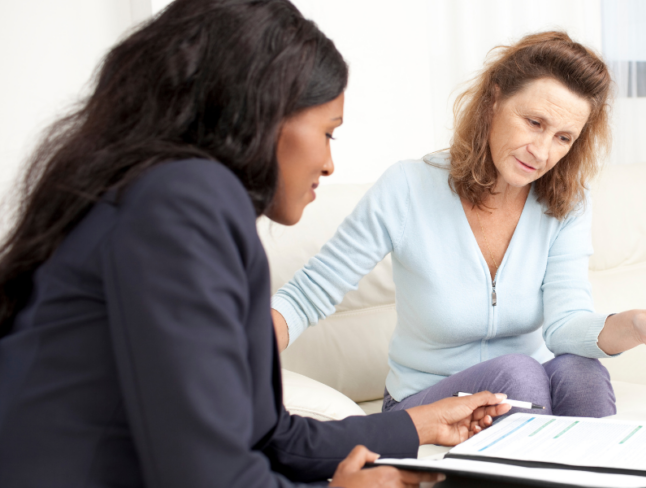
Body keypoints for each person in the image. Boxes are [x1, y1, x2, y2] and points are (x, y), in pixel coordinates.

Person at [0, 1, 509, 487]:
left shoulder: (169, 195)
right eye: (329, 132)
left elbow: (270, 437)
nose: (329, 164)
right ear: (264, 115)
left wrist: (420, 425)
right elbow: (206, 477)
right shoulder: (182, 200)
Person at [271, 31, 646, 419]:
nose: (543, 151)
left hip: (526, 393)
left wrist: (636, 325)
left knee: (580, 371)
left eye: (563, 138)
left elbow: (565, 327)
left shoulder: (566, 202)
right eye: (534, 122)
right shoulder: (408, 188)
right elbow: (309, 293)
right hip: (424, 402)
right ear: (494, 102)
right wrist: (232, 349)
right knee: (517, 373)